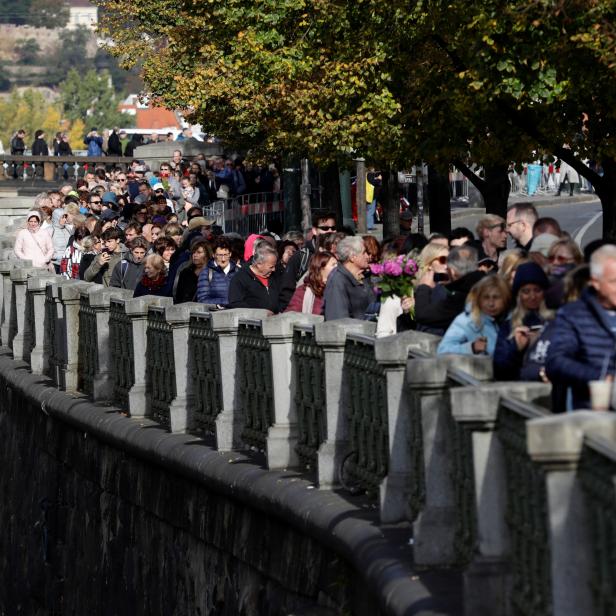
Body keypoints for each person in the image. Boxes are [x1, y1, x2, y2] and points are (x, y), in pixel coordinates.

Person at [546, 245, 616, 410]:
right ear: (595, 282)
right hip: (595, 415)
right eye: (614, 282)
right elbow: (556, 361)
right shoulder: (573, 315)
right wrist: (599, 378)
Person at [493, 262, 553, 380]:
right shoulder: (509, 325)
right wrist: (516, 347)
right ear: (519, 295)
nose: (532, 296)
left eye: (537, 290)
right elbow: (499, 369)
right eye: (526, 291)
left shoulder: (554, 321)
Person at [415, 245, 484, 335]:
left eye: (450, 261)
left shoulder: (458, 294)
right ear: (429, 265)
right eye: (443, 260)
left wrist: (423, 288)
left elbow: (424, 316)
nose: (447, 265)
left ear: (452, 271)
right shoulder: (485, 281)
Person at [437, 275, 510, 356]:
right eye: (486, 297)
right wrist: (472, 347)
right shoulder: (466, 321)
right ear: (479, 298)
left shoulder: (509, 320)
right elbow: (442, 350)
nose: (491, 303)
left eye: (496, 297)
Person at [279, 212, 337, 309]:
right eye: (325, 228)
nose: (330, 231)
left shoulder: (341, 255)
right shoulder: (301, 256)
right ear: (314, 230)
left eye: (333, 228)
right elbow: (286, 291)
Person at [323, 236, 376, 320]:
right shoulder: (337, 281)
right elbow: (338, 319)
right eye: (364, 252)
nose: (368, 256)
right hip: (355, 331)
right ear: (352, 257)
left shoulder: (364, 276)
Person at [228, 243, 281, 311]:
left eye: (274, 266)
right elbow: (235, 304)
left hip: (277, 319)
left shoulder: (276, 276)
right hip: (253, 320)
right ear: (259, 264)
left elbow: (284, 297)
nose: (274, 269)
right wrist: (259, 312)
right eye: (271, 267)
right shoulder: (240, 278)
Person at [196, 237, 238, 305]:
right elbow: (202, 300)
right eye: (220, 255)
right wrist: (226, 303)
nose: (223, 259)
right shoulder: (206, 273)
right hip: (215, 314)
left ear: (230, 254)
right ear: (213, 255)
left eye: (226, 255)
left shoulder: (238, 272)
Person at [174, 239, 211, 303]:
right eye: (193, 252)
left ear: (207, 254)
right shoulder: (185, 272)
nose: (195, 255)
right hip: (186, 309)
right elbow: (178, 296)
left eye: (199, 252)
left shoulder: (214, 273)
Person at [48, 209, 72, 274]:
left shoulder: (68, 229)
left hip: (67, 263)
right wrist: (53, 257)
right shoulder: (50, 230)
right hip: (55, 264)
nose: (65, 219)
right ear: (56, 218)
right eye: (62, 217)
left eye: (65, 217)